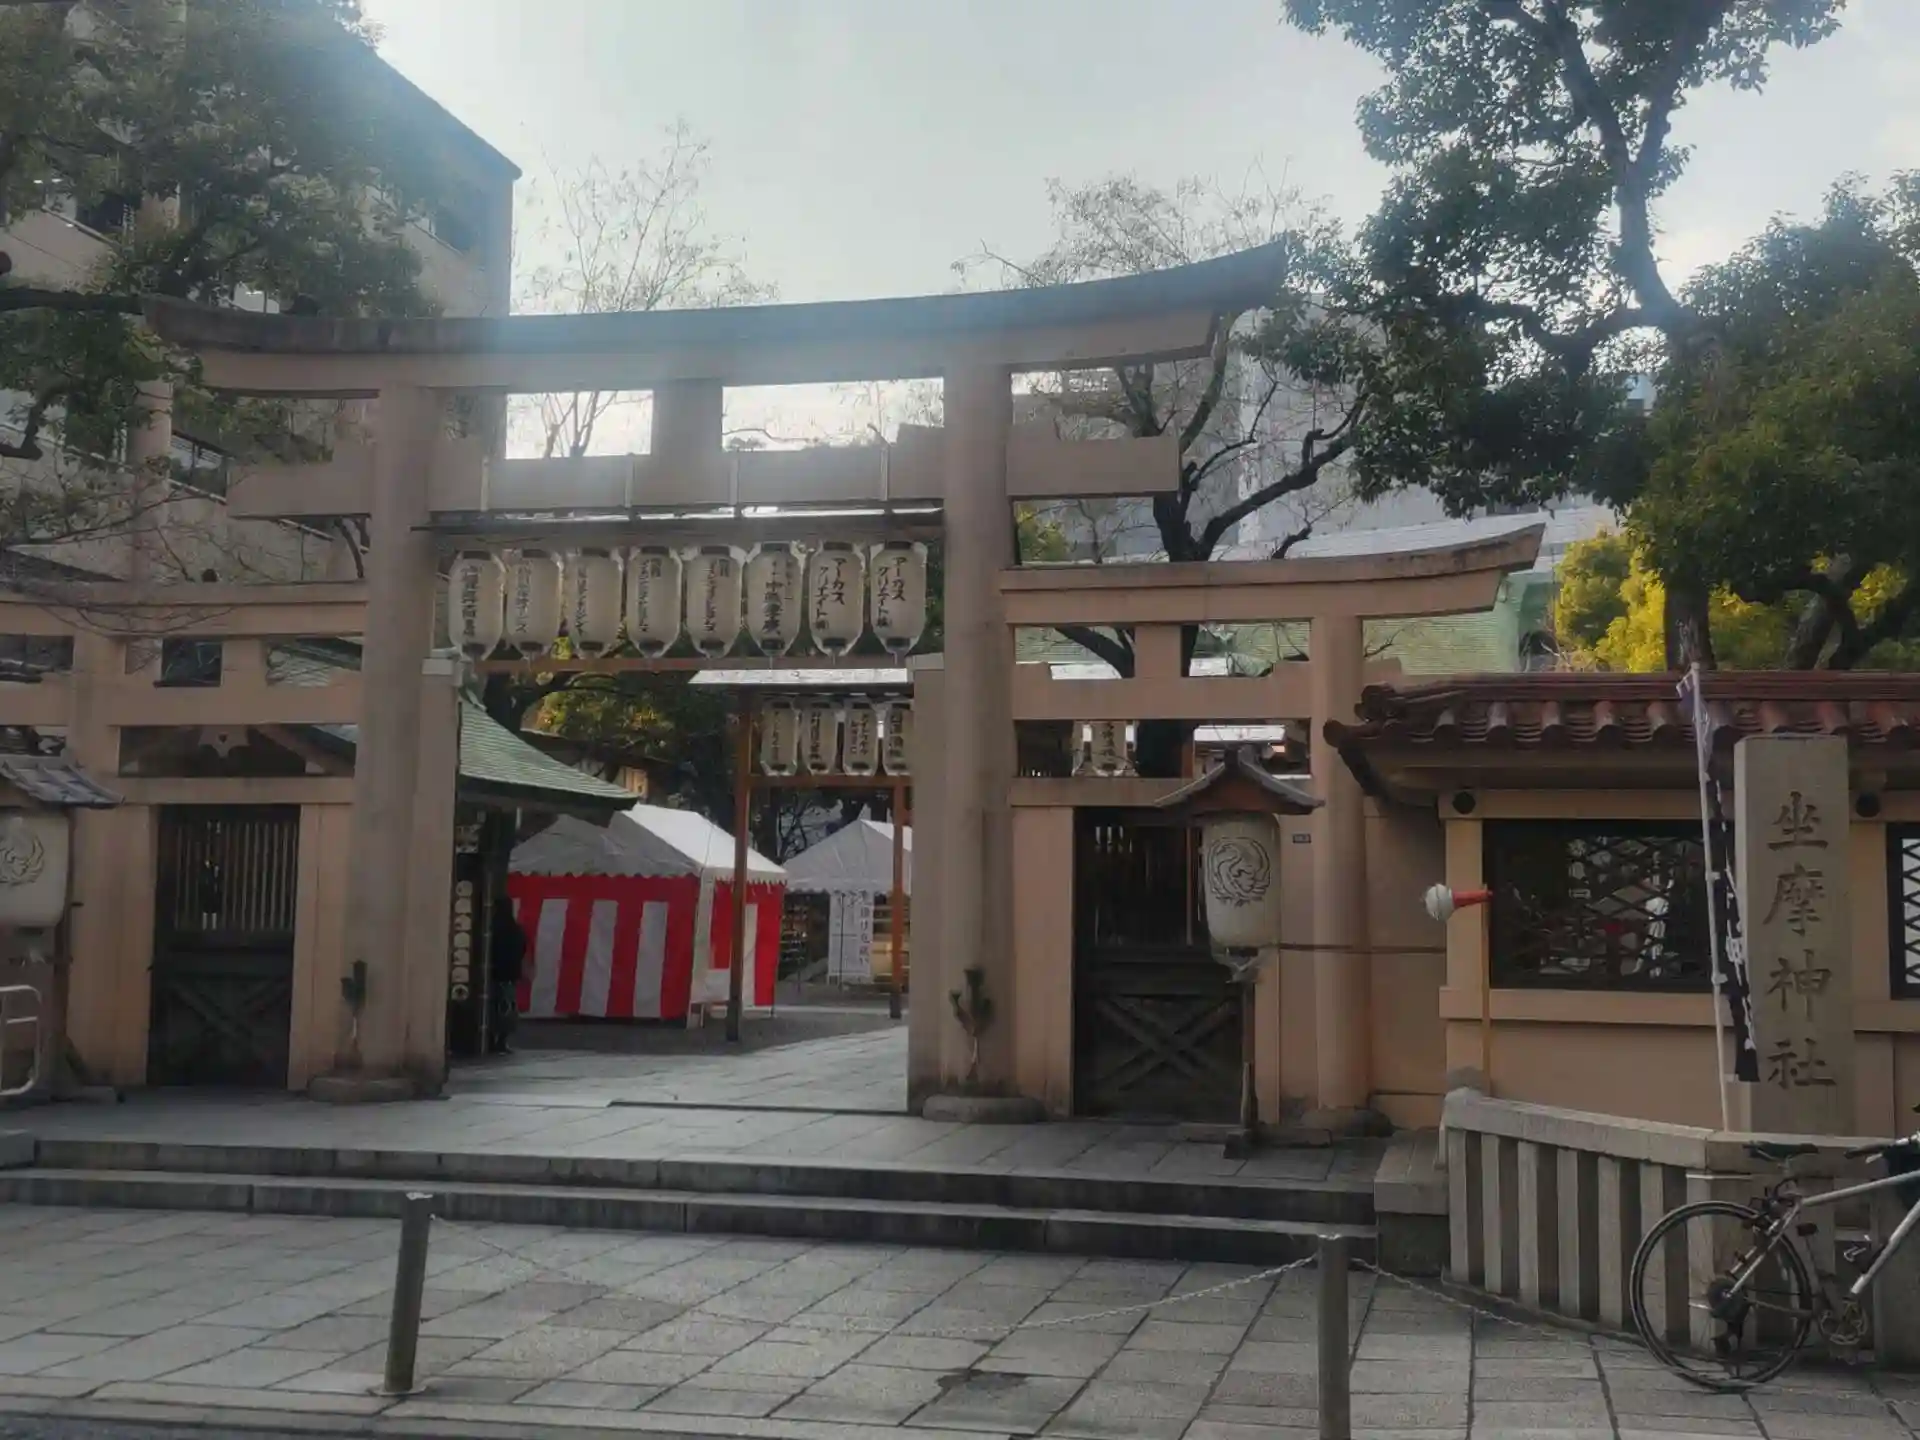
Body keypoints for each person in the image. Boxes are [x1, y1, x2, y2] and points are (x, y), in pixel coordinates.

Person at [488, 901, 526, 1055]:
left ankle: (490, 1039)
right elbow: (522, 948)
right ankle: (502, 1041)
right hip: (510, 974)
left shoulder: (492, 928)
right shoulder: (515, 929)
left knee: (492, 1008)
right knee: (507, 1008)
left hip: (493, 973)